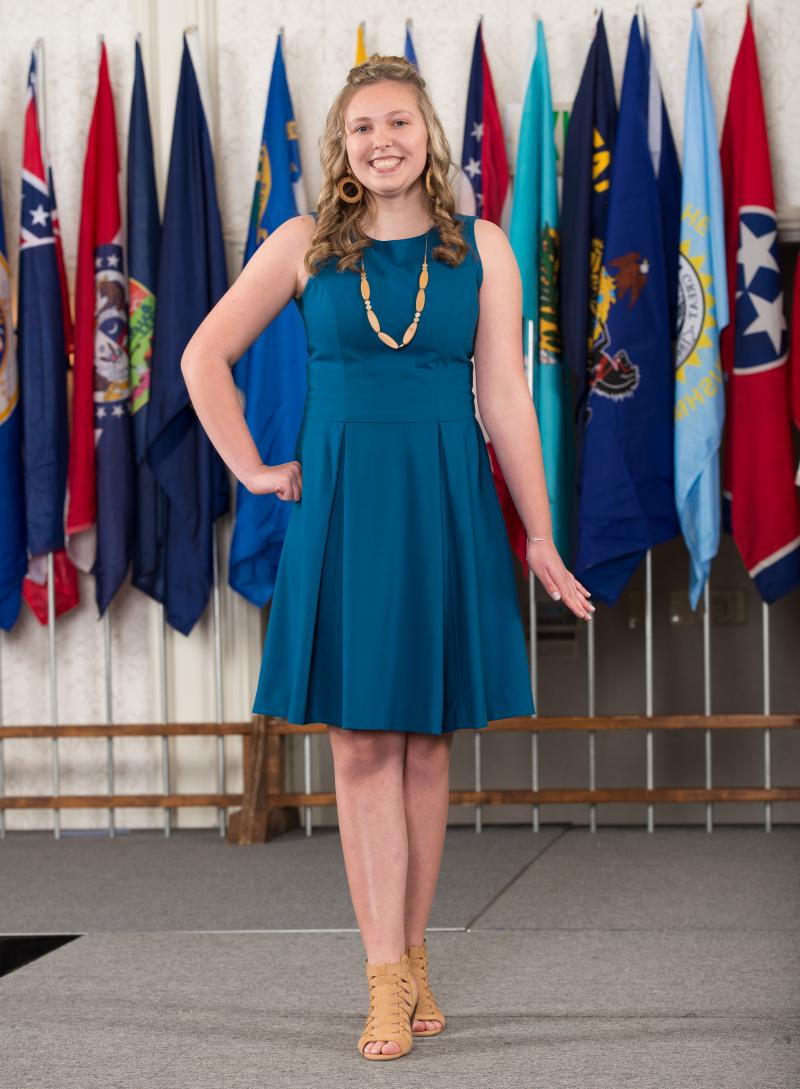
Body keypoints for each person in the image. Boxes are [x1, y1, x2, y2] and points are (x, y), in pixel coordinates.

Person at [181, 54, 594, 1062]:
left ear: (428, 135)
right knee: (359, 744)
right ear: (342, 146)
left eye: (398, 123)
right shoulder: (301, 244)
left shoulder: (484, 250)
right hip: (344, 503)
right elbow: (201, 357)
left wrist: (537, 535)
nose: (381, 140)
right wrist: (251, 467)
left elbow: (502, 403)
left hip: (443, 496)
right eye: (362, 127)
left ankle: (411, 956)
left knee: (423, 744)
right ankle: (380, 978)